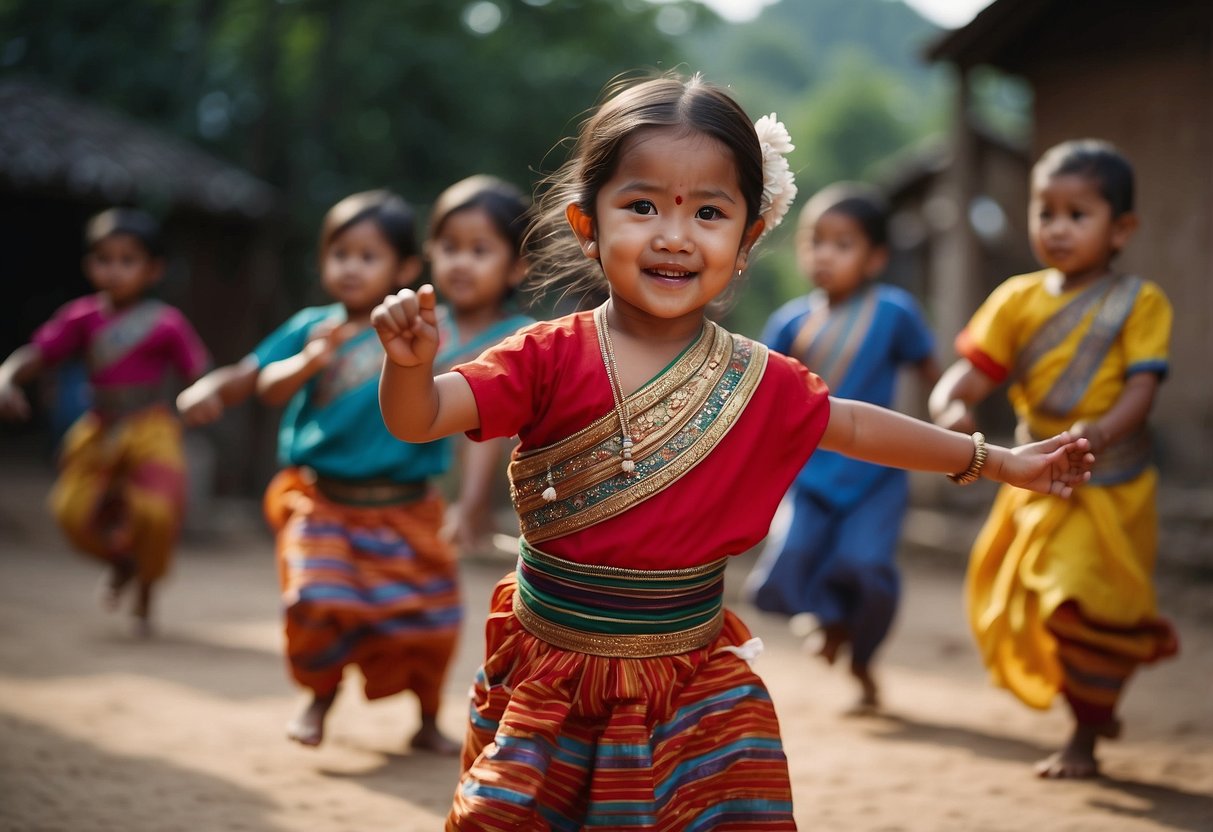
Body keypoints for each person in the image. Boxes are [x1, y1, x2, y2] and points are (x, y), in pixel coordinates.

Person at [371, 73, 1094, 829]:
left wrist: (998, 461)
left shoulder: (758, 380)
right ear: (586, 224)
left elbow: (850, 425)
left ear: (748, 239)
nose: (675, 235)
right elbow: (420, 419)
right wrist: (410, 366)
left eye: (709, 212)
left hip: (693, 687)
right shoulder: (541, 357)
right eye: (641, 206)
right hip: (552, 680)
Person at [929, 139, 1178, 780]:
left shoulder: (1141, 303)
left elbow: (1142, 390)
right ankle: (1092, 710)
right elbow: (971, 374)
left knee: (1087, 605)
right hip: (1037, 484)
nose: (1058, 228)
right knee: (1034, 604)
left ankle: (1084, 737)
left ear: (1121, 228)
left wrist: (1094, 432)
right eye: (1047, 212)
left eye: (1078, 214)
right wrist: (950, 404)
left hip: (1113, 485)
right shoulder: (1015, 299)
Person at [189, 190, 464, 752]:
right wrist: (287, 367)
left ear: (406, 268)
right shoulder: (312, 328)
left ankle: (428, 716)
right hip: (323, 503)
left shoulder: (429, 334)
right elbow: (259, 381)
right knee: (315, 601)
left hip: (406, 507)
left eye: (368, 256)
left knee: (428, 620)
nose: (350, 268)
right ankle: (318, 697)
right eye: (339, 254)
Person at [744, 183, 940, 714]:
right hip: (808, 473)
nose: (824, 254)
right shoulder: (789, 322)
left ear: (875, 257)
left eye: (843, 243)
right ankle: (829, 620)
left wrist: (950, 415)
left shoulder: (896, 312)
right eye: (816, 241)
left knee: (866, 566)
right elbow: (762, 394)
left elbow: (932, 371)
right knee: (794, 554)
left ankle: (863, 655)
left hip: (877, 473)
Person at [0, 208, 209, 636]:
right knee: (71, 509)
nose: (114, 270)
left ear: (153, 270)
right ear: (89, 265)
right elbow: (38, 354)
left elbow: (198, 372)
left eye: (127, 260)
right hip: (98, 426)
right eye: (104, 259)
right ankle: (122, 563)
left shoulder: (166, 323)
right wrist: (5, 376)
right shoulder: (80, 318)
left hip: (151, 427)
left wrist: (202, 396)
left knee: (155, 513)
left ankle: (146, 594)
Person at [425, 175, 535, 559]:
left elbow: (489, 431)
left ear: (517, 267)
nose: (461, 262)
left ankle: (471, 511)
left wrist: (470, 502)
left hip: (492, 503)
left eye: (479, 250)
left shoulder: (523, 339)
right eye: (449, 247)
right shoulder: (423, 327)